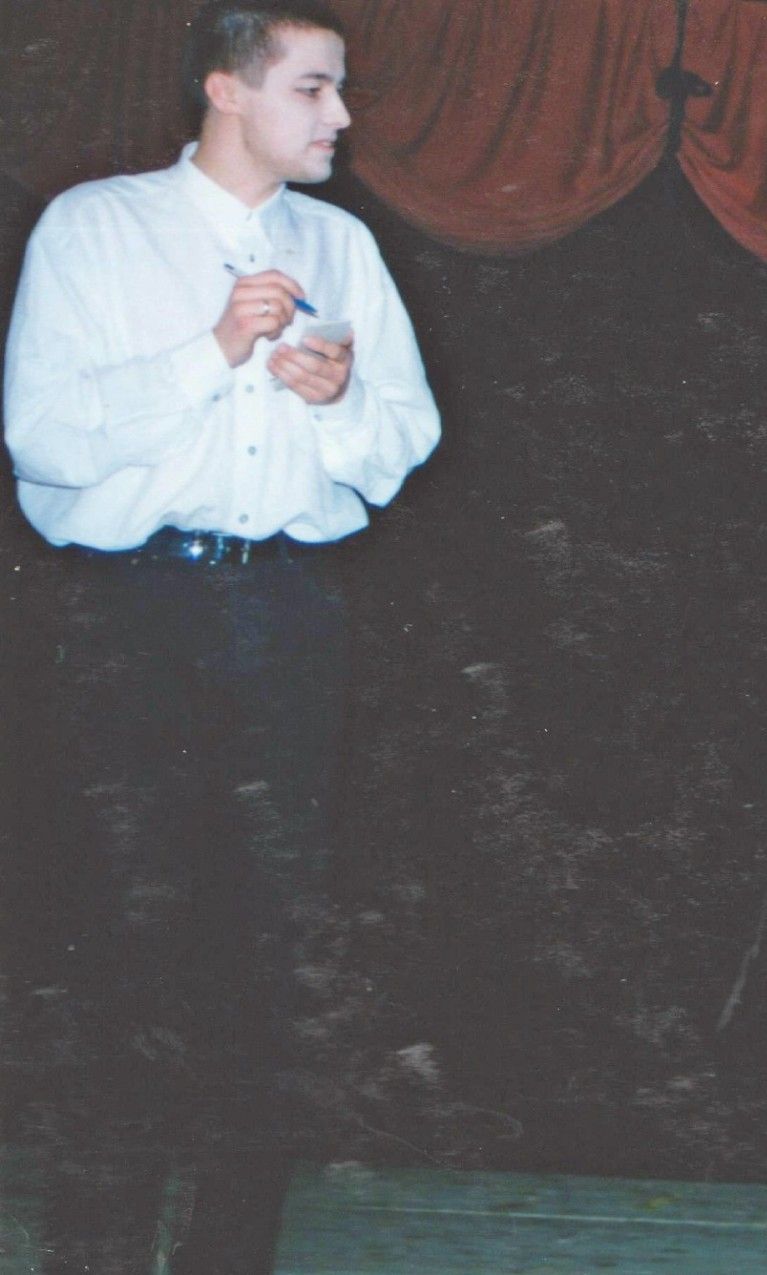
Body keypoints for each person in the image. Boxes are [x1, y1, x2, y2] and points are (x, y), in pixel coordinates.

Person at [2, 2, 440, 1269]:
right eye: (314, 88)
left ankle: (228, 1256)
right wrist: (215, 350)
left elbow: (404, 442)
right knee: (118, 958)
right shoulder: (95, 228)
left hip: (287, 619)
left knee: (269, 968)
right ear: (227, 90)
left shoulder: (344, 246)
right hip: (129, 622)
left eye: (340, 89)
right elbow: (42, 438)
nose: (342, 116)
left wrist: (342, 401)